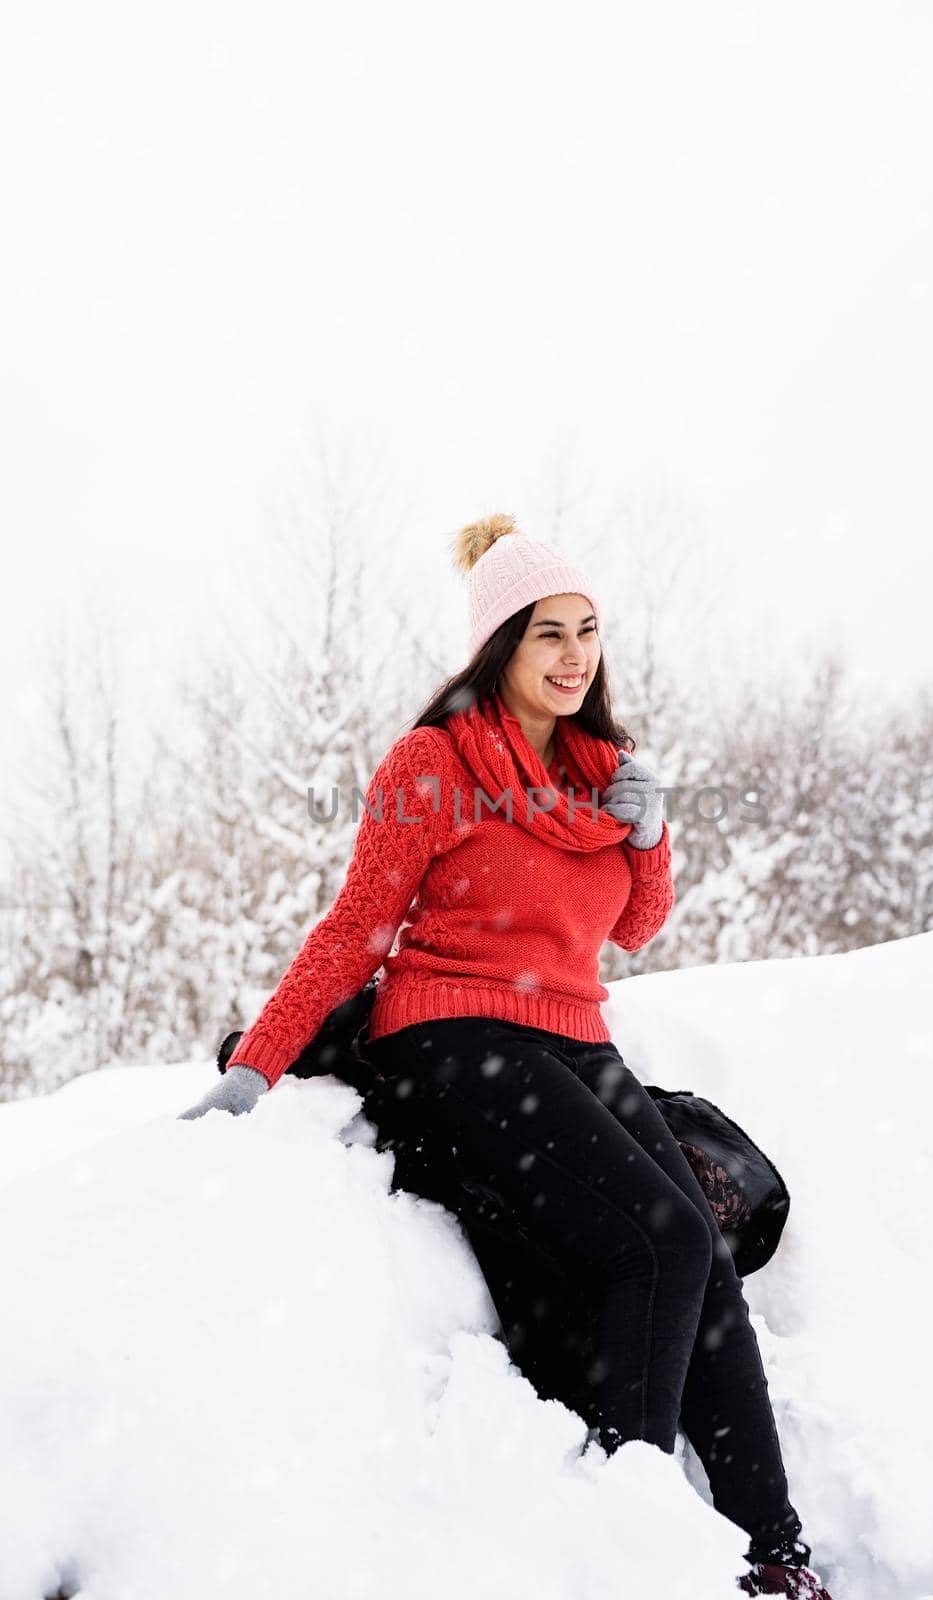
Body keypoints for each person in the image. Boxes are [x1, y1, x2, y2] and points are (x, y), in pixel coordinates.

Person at [179, 513, 834, 1599]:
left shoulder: (599, 770)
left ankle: (777, 1550)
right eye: (549, 635)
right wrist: (256, 1064)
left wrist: (650, 831)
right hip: (457, 1031)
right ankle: (628, 1549)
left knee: (703, 1258)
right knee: (657, 1241)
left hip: (577, 1033)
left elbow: (634, 927)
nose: (577, 656)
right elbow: (356, 930)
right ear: (500, 648)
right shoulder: (430, 763)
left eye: (589, 631)